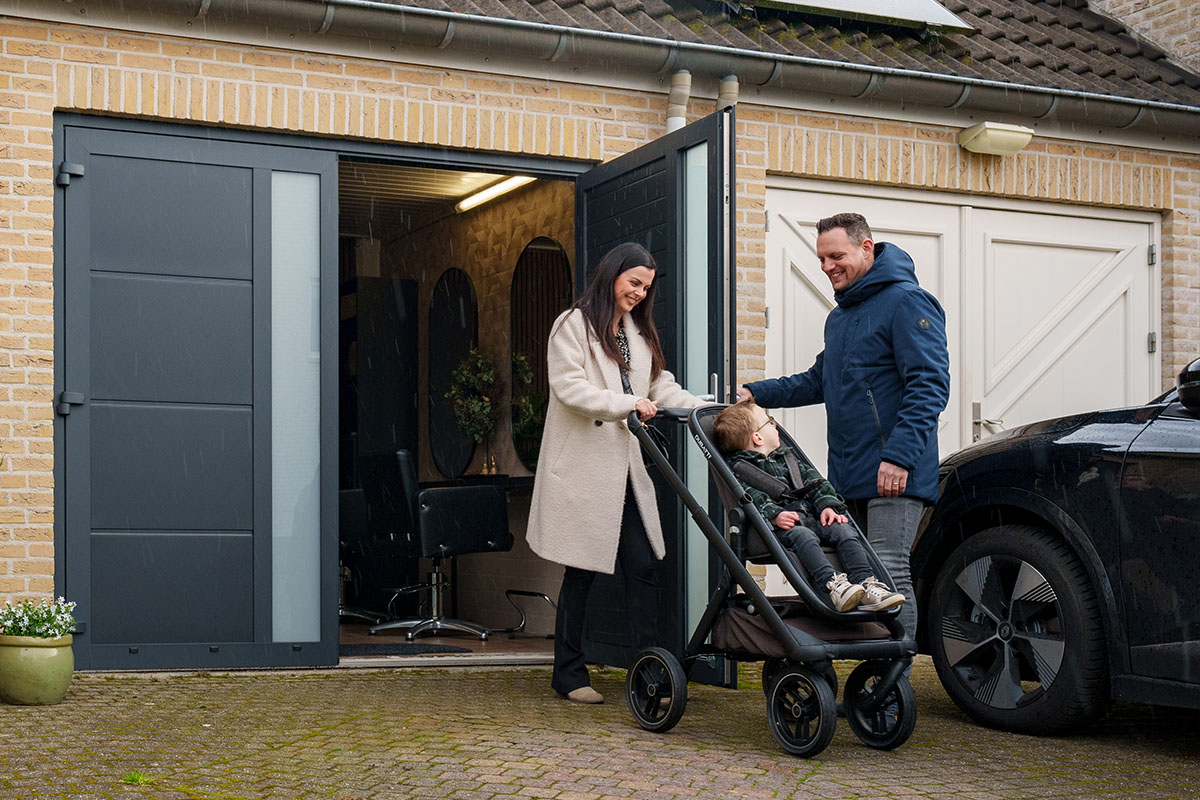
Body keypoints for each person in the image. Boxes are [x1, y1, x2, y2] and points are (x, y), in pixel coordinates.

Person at [737, 212, 949, 643]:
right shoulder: (841, 317)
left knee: (889, 569)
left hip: (894, 468)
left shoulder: (907, 302)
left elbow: (930, 384)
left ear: (866, 247)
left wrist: (899, 456)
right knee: (861, 575)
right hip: (850, 471)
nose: (827, 266)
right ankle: (875, 668)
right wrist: (754, 392)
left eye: (836, 256)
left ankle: (895, 676)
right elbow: (818, 380)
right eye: (821, 258)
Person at [527, 242, 705, 704]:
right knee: (581, 571)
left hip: (624, 471)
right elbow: (568, 388)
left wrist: (703, 409)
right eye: (634, 283)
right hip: (583, 471)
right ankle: (568, 673)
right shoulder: (573, 325)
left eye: (646, 287)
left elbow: (659, 385)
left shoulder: (637, 333)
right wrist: (628, 404)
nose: (640, 293)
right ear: (612, 275)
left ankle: (649, 676)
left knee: (642, 568)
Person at [712, 399, 904, 612]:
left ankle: (867, 583)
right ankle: (833, 585)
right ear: (757, 438)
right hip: (781, 528)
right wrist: (774, 514)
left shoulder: (788, 459)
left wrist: (827, 506)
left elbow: (817, 484)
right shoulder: (741, 469)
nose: (775, 426)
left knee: (843, 529)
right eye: (769, 422)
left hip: (812, 517)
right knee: (804, 536)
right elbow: (751, 496)